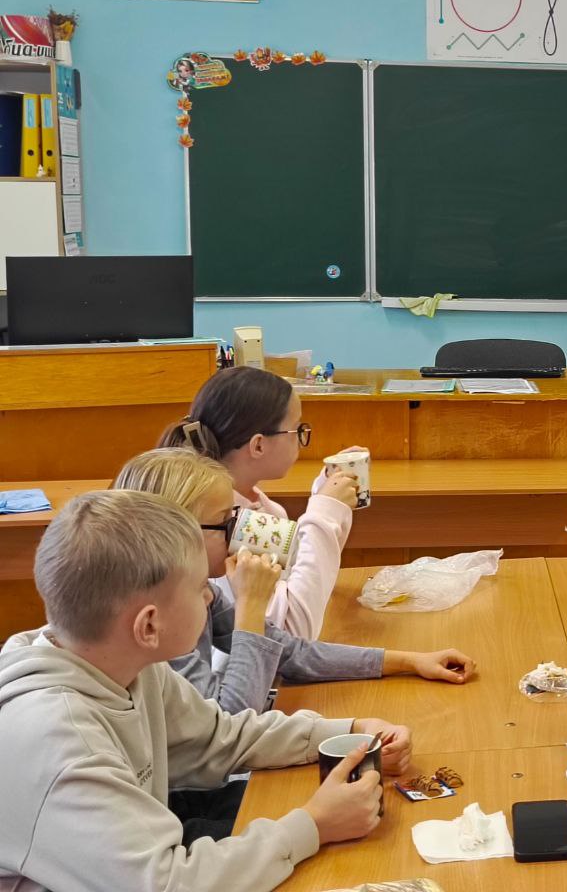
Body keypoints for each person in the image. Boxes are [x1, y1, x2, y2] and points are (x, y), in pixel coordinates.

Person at [0, 489, 411, 891]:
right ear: (149, 625)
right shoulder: (62, 744)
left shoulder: (128, 666)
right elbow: (167, 884)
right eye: (200, 587)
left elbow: (219, 737)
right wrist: (314, 825)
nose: (211, 593)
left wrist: (348, 732)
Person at [114, 447, 476, 717]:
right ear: (177, 533)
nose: (238, 533)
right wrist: (251, 604)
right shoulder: (157, 619)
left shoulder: (200, 591)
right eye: (225, 522)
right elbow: (231, 718)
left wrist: (410, 661)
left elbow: (292, 654)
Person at [161, 365, 359, 639]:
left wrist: (326, 499)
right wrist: (324, 514)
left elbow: (309, 578)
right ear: (258, 445)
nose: (302, 439)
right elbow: (289, 634)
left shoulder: (261, 508)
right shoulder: (230, 524)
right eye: (296, 429)